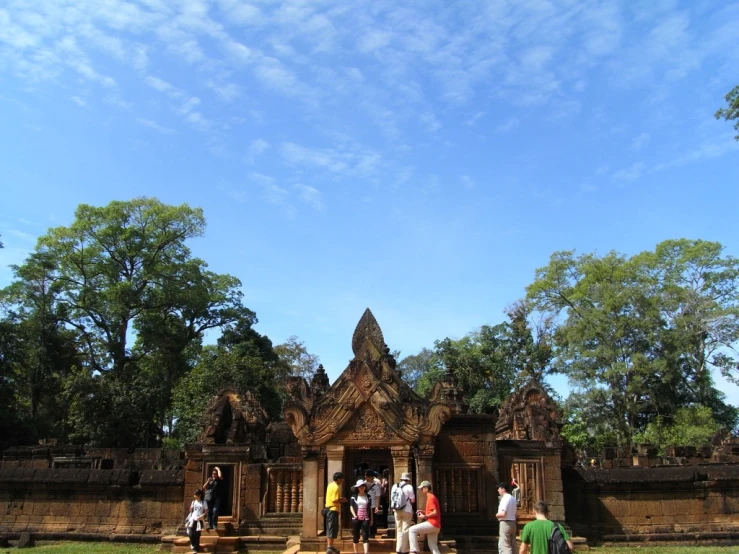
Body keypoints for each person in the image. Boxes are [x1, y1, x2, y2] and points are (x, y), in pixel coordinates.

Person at [408, 481, 441, 554]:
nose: (421, 490)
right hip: (436, 526)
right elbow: (432, 511)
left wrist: (424, 516)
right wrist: (423, 511)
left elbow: (435, 512)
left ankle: (414, 550)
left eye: (422, 488)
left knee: (412, 530)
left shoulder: (431, 498)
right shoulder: (431, 497)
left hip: (432, 524)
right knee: (433, 546)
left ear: (426, 488)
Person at [391, 472, 416, 554]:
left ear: (401, 479)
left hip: (396, 510)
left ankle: (398, 549)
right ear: (408, 480)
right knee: (405, 530)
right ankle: (404, 549)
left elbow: (392, 498)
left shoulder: (394, 486)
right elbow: (413, 500)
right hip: (407, 510)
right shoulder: (409, 487)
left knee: (398, 529)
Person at [325, 471, 348, 554]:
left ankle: (330, 546)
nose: (343, 480)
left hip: (329, 509)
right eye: (342, 479)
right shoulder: (336, 487)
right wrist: (342, 499)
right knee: (332, 528)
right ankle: (329, 547)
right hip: (333, 509)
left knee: (331, 528)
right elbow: (334, 499)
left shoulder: (330, 485)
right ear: (338, 479)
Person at [350, 479, 374, 554]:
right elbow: (351, 507)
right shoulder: (354, 497)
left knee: (365, 535)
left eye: (363, 486)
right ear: (357, 488)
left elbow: (370, 508)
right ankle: (356, 552)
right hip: (356, 518)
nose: (361, 487)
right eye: (360, 486)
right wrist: (354, 515)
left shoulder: (368, 496)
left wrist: (371, 519)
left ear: (365, 487)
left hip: (365, 518)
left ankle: (366, 552)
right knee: (356, 535)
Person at [496, 481, 517, 554]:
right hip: (512, 523)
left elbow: (503, 514)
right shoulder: (513, 498)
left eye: (499, 488)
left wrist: (496, 515)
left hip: (505, 523)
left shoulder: (505, 498)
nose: (498, 490)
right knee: (513, 544)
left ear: (503, 489)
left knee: (505, 546)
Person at [185, 489, 209, 553]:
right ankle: (193, 544)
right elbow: (191, 510)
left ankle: (196, 548)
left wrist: (202, 515)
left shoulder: (204, 502)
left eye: (196, 495)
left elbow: (206, 511)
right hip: (193, 519)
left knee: (197, 534)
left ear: (199, 495)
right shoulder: (193, 502)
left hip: (199, 520)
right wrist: (191, 509)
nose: (194, 496)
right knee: (191, 534)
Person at [364, 470, 382, 538]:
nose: (366, 478)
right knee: (365, 519)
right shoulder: (363, 485)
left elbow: (377, 496)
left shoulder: (376, 486)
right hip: (365, 505)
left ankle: (372, 533)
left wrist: (377, 506)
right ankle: (366, 532)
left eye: (368, 476)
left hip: (373, 505)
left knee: (373, 520)